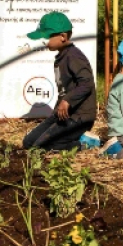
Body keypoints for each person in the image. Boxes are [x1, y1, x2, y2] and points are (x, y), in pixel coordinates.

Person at [20, 12, 97, 151]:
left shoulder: (74, 56)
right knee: (28, 143)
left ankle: (85, 143)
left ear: (63, 36)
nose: (43, 40)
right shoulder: (61, 56)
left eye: (47, 36)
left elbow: (87, 83)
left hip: (79, 117)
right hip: (64, 115)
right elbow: (64, 90)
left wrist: (67, 101)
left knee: (40, 147)